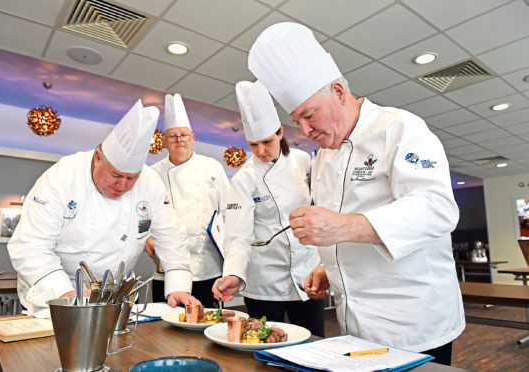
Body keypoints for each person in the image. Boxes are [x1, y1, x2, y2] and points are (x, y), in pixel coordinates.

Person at [248, 22, 464, 364]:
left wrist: (343, 228)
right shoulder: (322, 159)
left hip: (414, 322)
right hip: (355, 326)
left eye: (309, 114)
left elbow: (437, 209)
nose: (304, 130)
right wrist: (326, 264)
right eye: (297, 120)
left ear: (338, 91)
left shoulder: (400, 128)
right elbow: (337, 225)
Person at [8, 99, 199, 318]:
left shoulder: (150, 181)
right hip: (57, 292)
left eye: (131, 178)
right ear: (98, 158)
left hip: (115, 298)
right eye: (116, 175)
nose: (123, 186)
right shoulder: (61, 177)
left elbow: (171, 236)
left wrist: (178, 287)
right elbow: (31, 245)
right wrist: (66, 294)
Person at [212, 80, 324, 337]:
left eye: (266, 141)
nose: (261, 151)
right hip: (264, 278)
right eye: (253, 144)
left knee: (313, 342)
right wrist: (233, 274)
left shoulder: (302, 160)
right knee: (266, 347)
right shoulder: (244, 179)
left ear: (280, 133)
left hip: (306, 271)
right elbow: (238, 235)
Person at [145, 93, 230, 307]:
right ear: (164, 142)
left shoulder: (212, 167)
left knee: (209, 326)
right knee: (168, 330)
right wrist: (146, 237)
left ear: (192, 138)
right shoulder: (152, 174)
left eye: (184, 135)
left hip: (208, 266)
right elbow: (141, 215)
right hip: (167, 268)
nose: (179, 140)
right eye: (173, 136)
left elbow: (228, 212)